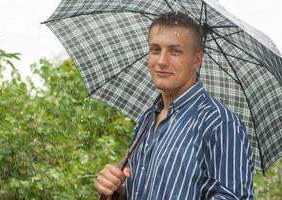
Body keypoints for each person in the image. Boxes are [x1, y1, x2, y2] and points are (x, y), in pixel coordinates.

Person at [95, 12, 254, 199]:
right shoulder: (146, 119)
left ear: (196, 59)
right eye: (155, 49)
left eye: (175, 51)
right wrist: (117, 190)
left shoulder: (219, 124)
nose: (161, 61)